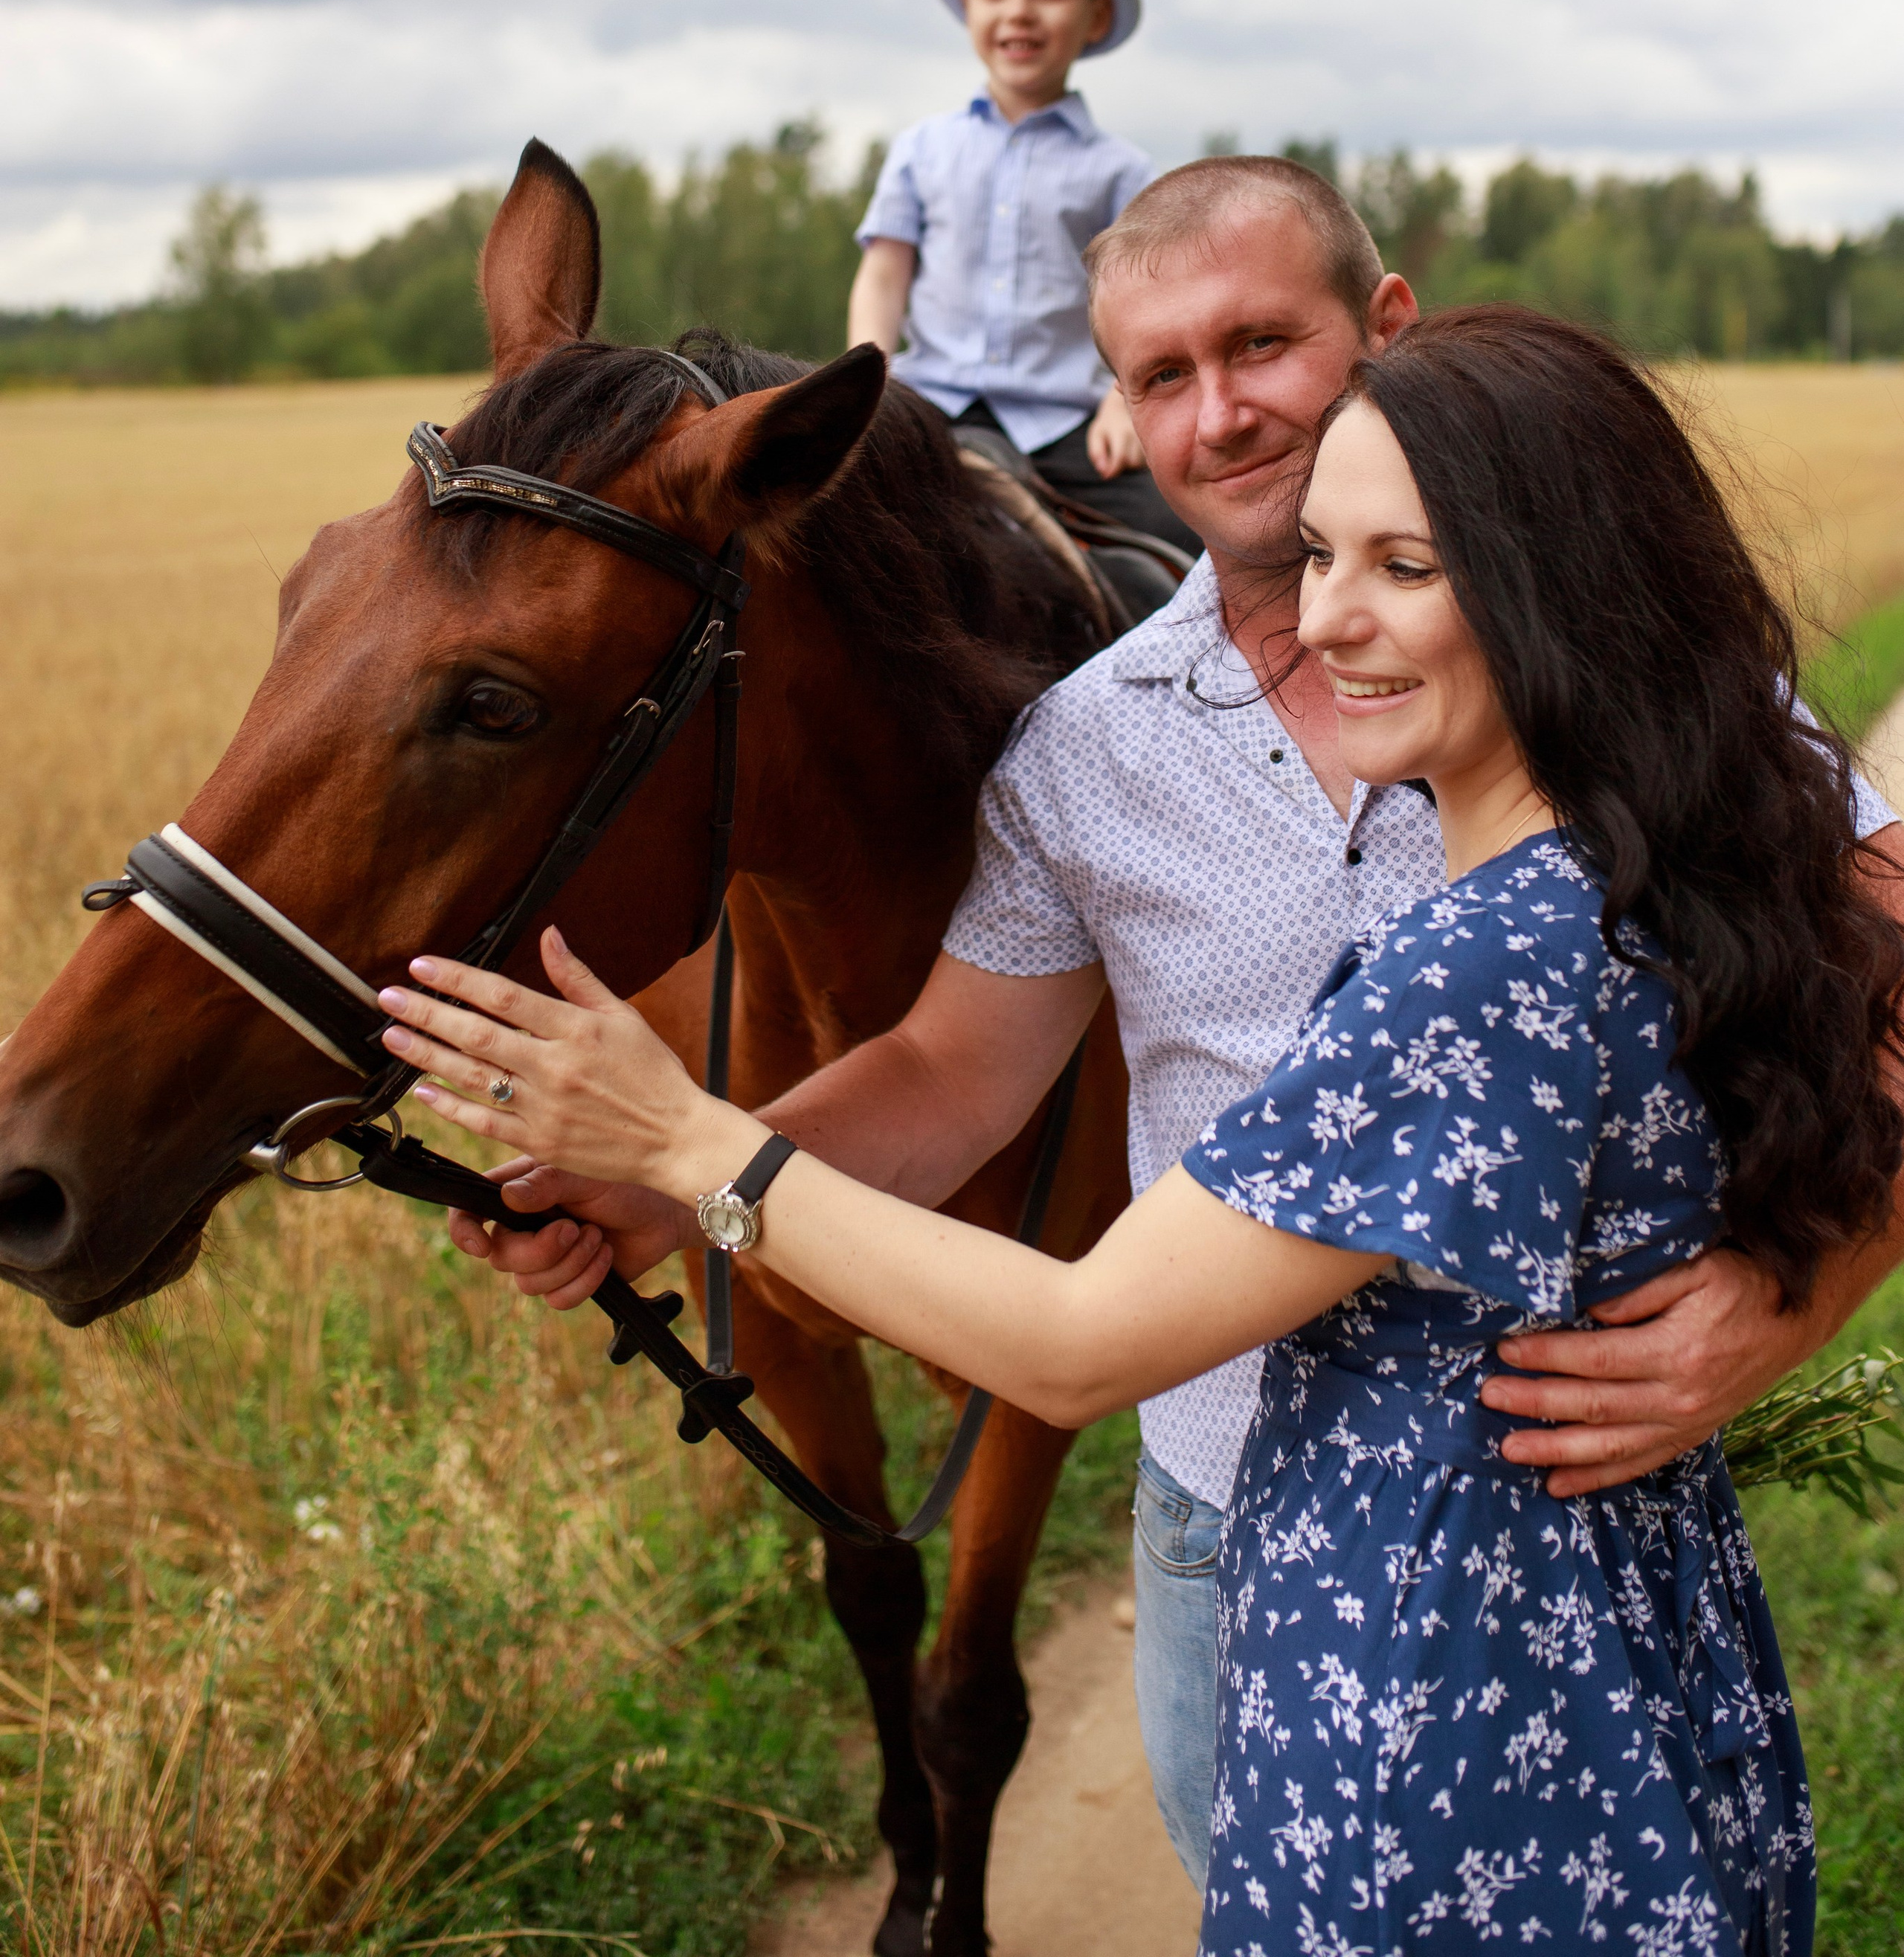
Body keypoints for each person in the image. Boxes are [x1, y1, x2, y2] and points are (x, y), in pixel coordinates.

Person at [441, 155, 1904, 1886]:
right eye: (1157, 374)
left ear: (1382, 333)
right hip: (1227, 1528)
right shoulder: (1088, 747)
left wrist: (1808, 1277)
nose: (1219, 412)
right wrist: (649, 1185)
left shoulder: (1627, 710)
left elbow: (1875, 951)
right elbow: (946, 1072)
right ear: (1116, 414)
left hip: (1567, 1520)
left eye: (1260, 342)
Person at [846, 0, 1190, 551]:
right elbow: (884, 277)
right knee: (819, 526)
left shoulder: (1121, 172)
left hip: (1064, 425)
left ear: (1096, 16)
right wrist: (864, 385)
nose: (1019, 11)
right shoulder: (922, 149)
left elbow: (1149, 308)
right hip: (930, 408)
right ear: (966, 5)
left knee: (1173, 531)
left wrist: (1119, 399)